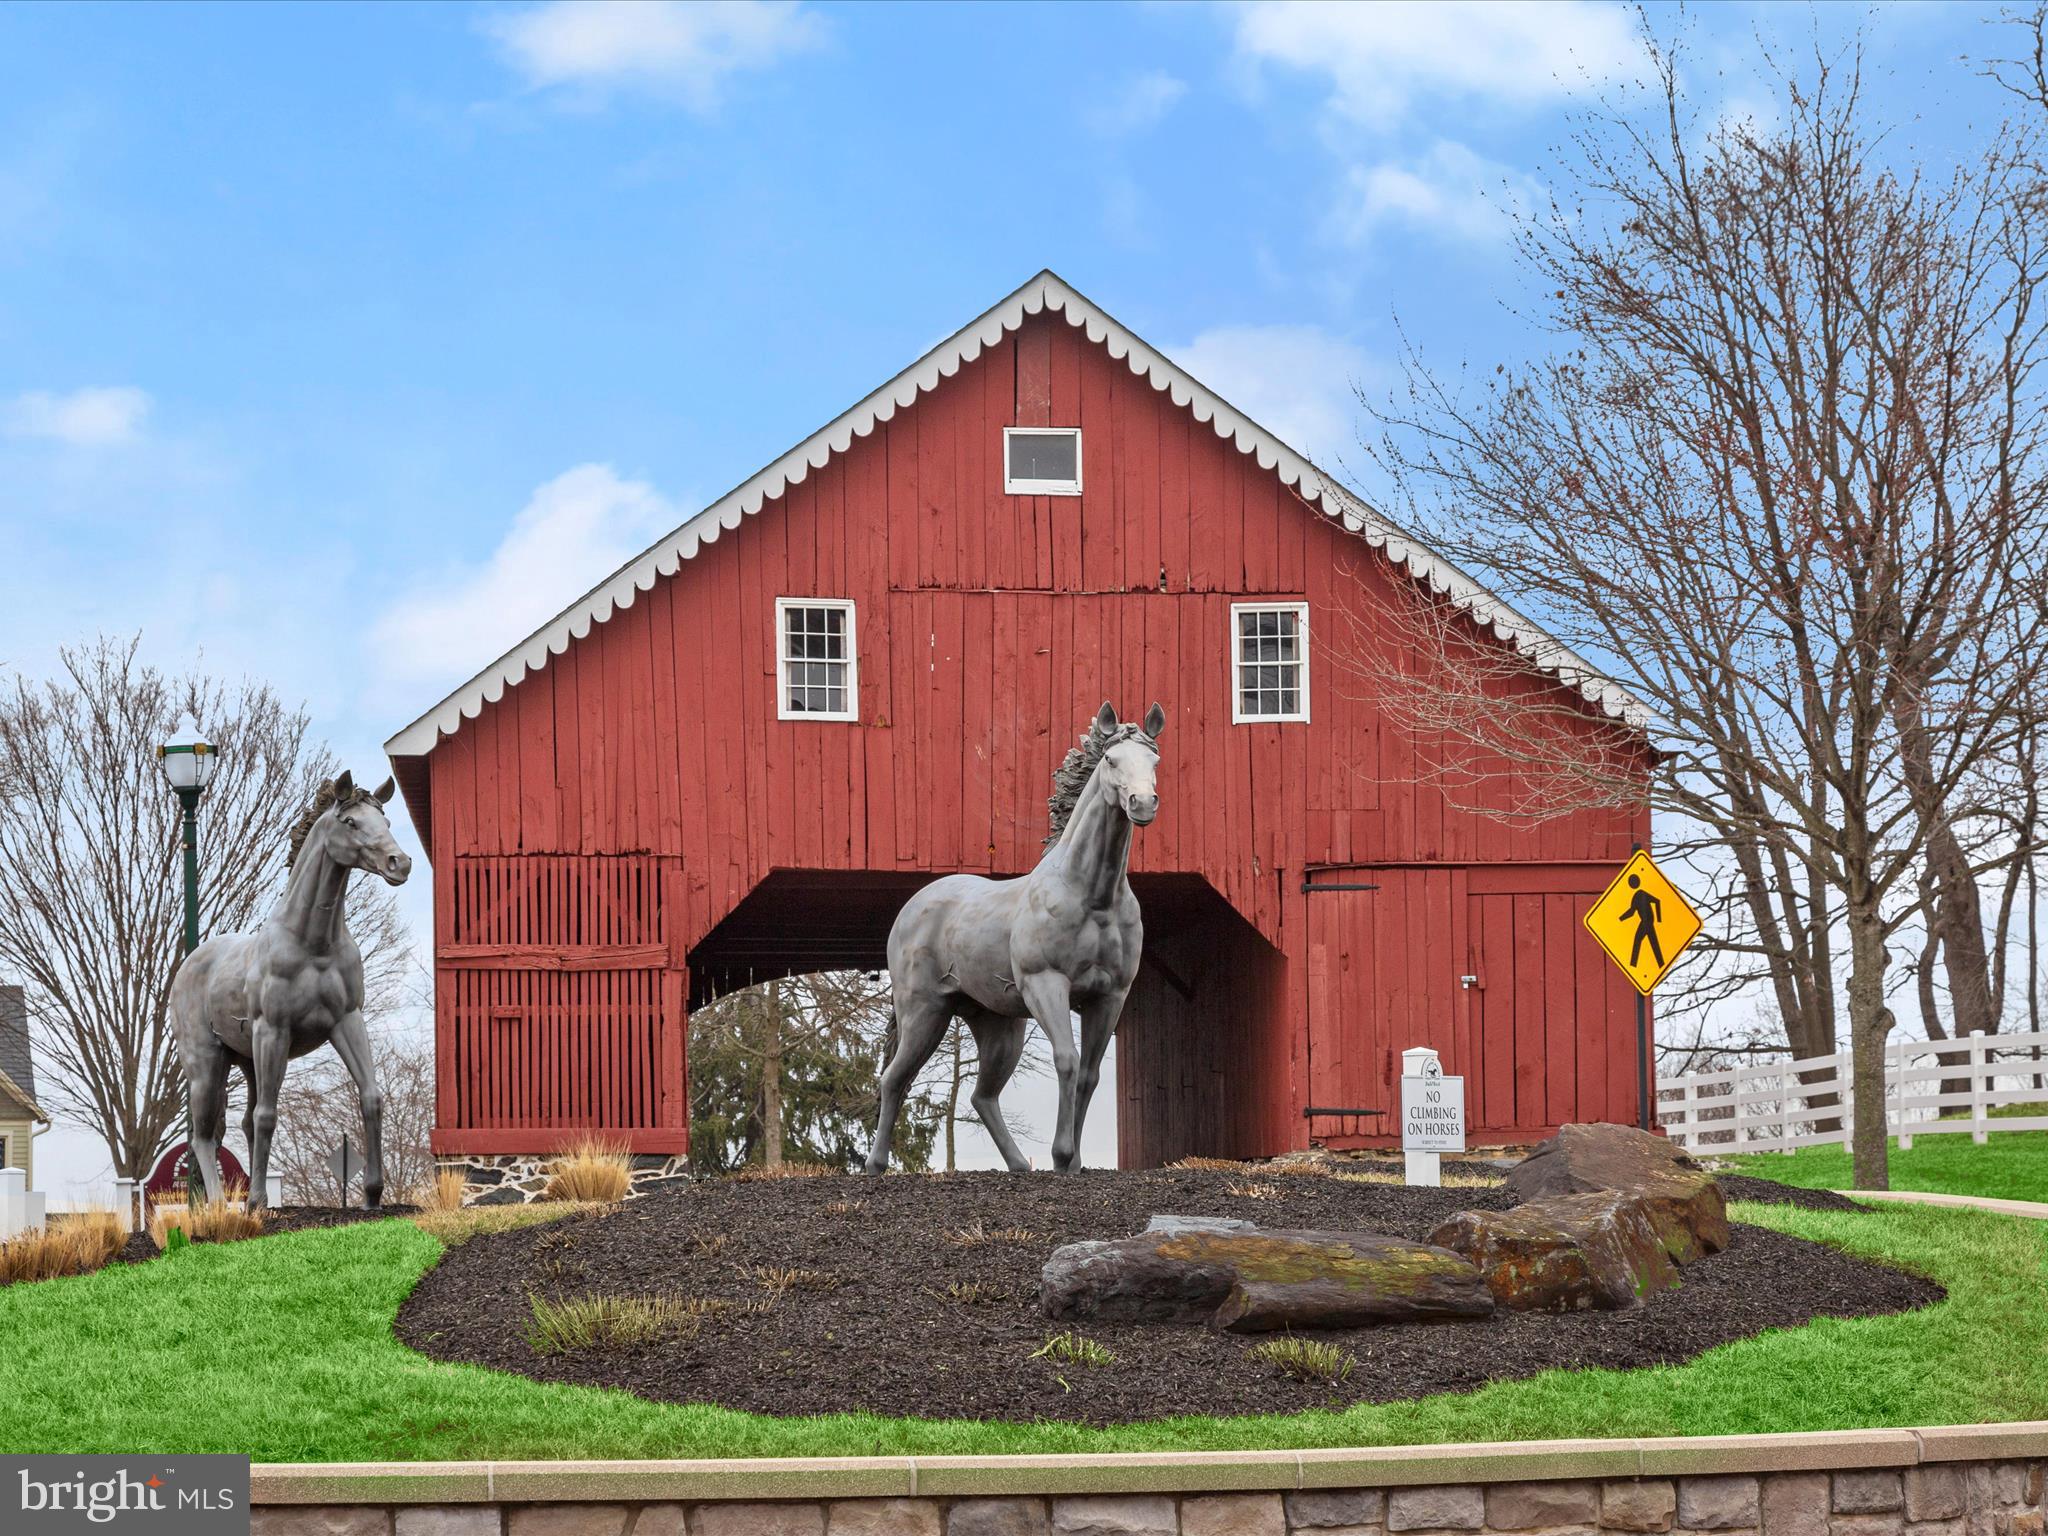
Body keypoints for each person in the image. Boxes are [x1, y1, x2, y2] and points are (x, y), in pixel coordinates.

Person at [1623, 873, 1664, 969]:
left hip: (1648, 921)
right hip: (1646, 921)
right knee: (1653, 943)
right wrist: (1620, 919)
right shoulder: (1635, 896)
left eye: (1632, 882)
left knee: (1638, 941)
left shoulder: (1641, 893)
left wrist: (1659, 919)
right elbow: (1631, 912)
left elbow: (1657, 901)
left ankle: (1633, 965)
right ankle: (1660, 964)